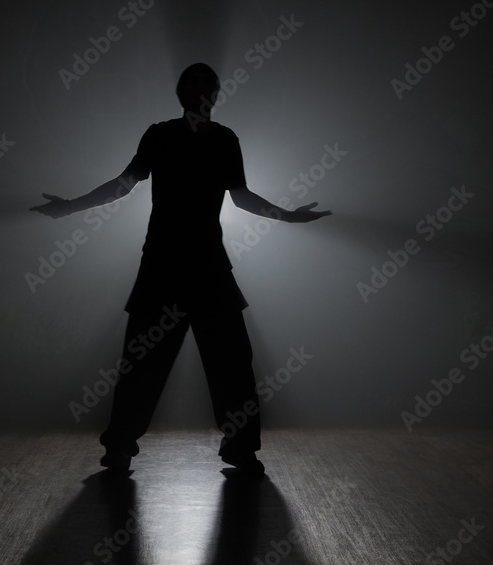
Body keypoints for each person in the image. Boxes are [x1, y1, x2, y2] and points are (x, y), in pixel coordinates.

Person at [31, 63, 330, 476]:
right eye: (197, 82)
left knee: (218, 362)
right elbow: (125, 183)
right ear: (182, 92)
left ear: (215, 93)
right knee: (154, 362)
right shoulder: (163, 135)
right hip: (172, 265)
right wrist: (70, 206)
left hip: (194, 266)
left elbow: (240, 198)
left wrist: (288, 217)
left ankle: (227, 448)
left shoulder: (222, 140)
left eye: (210, 83)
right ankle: (137, 445)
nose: (204, 89)